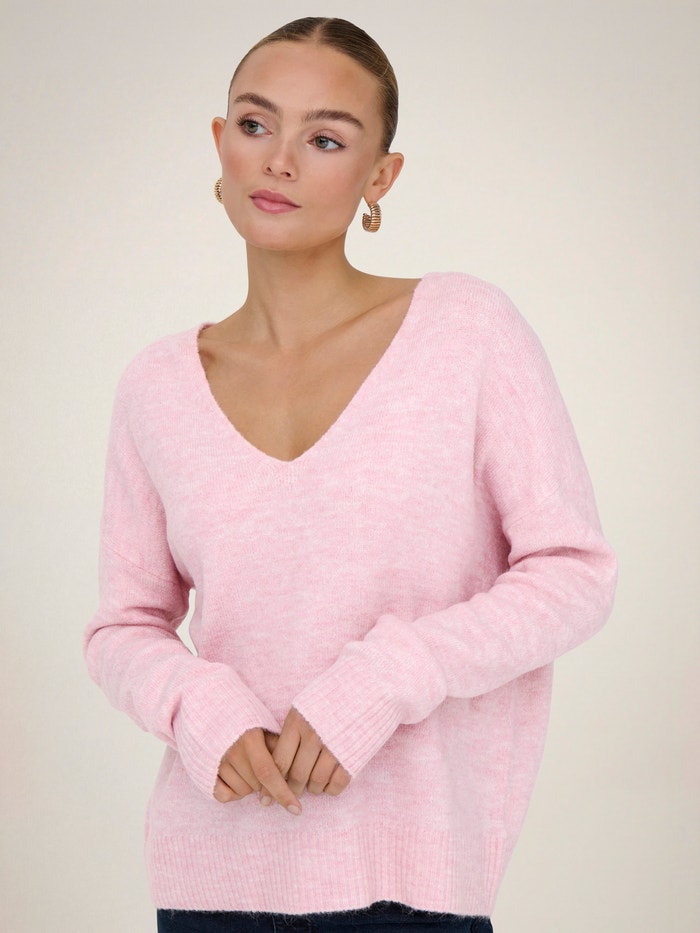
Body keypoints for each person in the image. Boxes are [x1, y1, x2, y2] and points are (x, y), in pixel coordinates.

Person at [83, 16, 617, 933]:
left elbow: (575, 572)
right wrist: (195, 701)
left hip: (409, 887)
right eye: (256, 124)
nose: (280, 160)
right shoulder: (156, 386)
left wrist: (388, 677)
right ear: (220, 144)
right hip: (210, 884)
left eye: (325, 138)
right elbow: (122, 625)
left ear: (381, 177)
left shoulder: (467, 332)